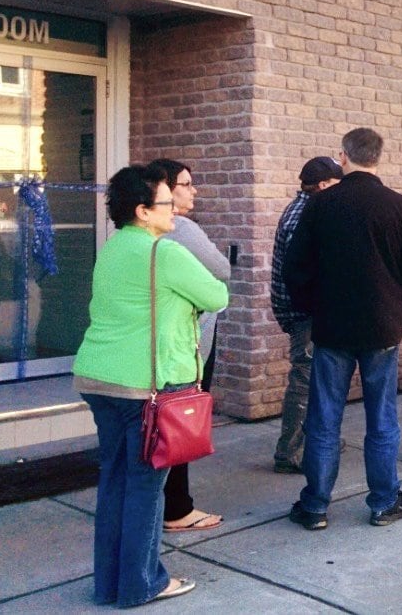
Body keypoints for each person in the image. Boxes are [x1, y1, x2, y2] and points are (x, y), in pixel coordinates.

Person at [73, 165, 228, 606]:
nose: (174, 208)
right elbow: (218, 295)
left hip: (100, 379)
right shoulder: (168, 254)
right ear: (143, 211)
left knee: (115, 482)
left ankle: (111, 584)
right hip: (147, 387)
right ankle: (143, 583)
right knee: (145, 487)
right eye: (166, 201)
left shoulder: (113, 247)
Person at [284, 128, 402, 529]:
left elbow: (295, 268)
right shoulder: (400, 207)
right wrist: (398, 305)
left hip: (331, 327)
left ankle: (315, 505)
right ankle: (384, 501)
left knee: (324, 417)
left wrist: (314, 307)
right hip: (382, 326)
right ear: (378, 157)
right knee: (381, 416)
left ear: (343, 157)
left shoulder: (320, 205)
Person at [149, 158, 231, 533]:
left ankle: (162, 504)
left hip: (150, 346)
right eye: (186, 183)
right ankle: (177, 509)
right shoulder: (181, 228)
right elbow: (222, 272)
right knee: (179, 423)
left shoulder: (134, 234)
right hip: (188, 345)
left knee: (152, 426)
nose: (193, 190)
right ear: (165, 188)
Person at [270, 156, 344, 474]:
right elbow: (304, 272)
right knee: (304, 380)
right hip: (306, 313)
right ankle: (291, 453)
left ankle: (313, 441)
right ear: (324, 185)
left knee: (313, 378)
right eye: (337, 186)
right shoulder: (305, 217)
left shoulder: (301, 209)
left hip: (303, 311)